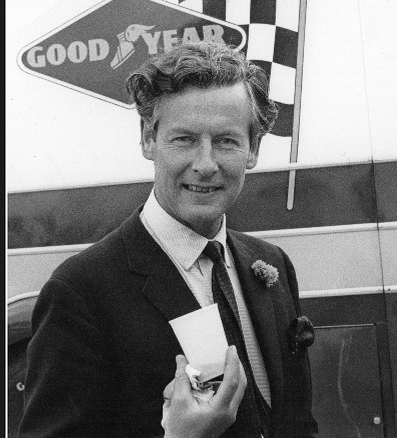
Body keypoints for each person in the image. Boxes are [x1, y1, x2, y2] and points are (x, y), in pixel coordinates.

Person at [18, 42, 317, 437]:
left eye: (226, 141)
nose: (206, 164)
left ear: (254, 149)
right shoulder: (81, 291)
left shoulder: (272, 264)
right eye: (184, 139)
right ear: (148, 140)